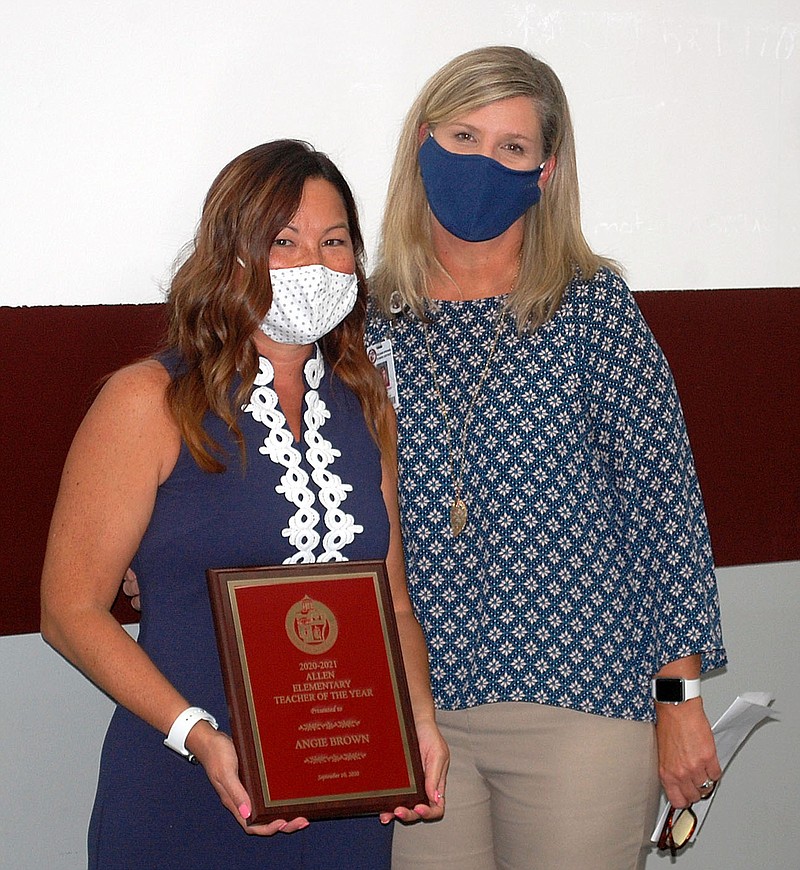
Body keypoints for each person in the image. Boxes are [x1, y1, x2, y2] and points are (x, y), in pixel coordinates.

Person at [364, 46, 727, 870]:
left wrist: (681, 698)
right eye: (463, 134)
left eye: (512, 147)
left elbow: (664, 511)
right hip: (415, 712)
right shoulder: (366, 323)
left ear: (546, 169)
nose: (482, 162)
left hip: (582, 704)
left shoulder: (592, 309)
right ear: (422, 140)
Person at [40, 139, 447, 870]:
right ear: (229, 255)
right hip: (186, 782)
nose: (312, 265)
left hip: (346, 792)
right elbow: (68, 611)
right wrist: (196, 733)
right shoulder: (149, 401)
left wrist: (418, 721)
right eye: (282, 242)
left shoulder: (365, 406)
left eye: (334, 243)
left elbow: (393, 606)